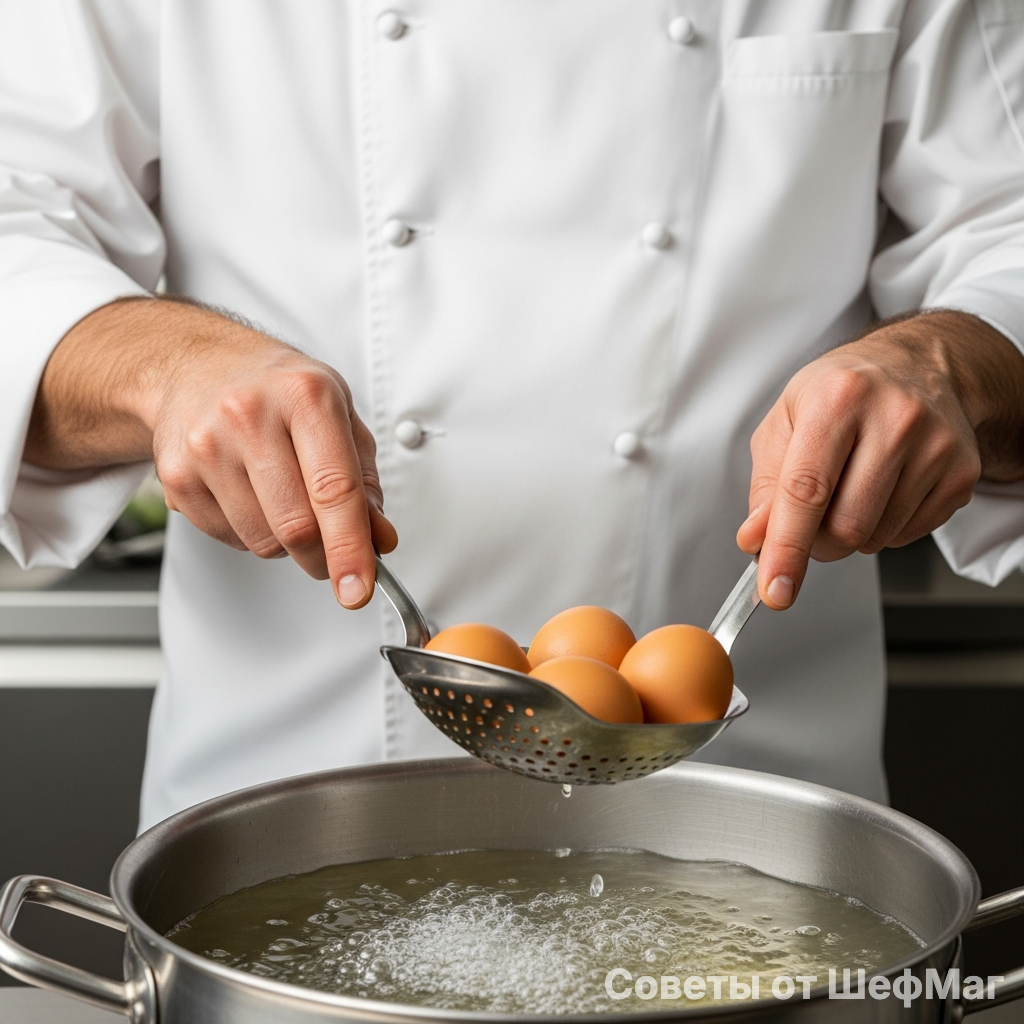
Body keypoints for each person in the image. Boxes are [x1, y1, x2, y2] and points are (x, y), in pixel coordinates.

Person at [2, 2, 1023, 831]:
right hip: (279, 817)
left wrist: (952, 364)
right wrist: (167, 368)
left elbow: (1007, 230)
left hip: (765, 830)